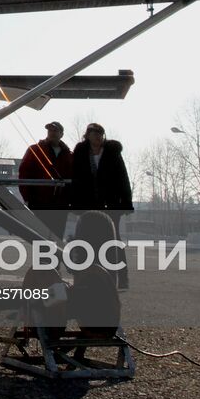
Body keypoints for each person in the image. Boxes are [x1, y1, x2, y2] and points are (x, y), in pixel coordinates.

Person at [69, 122, 134, 289]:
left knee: (114, 241)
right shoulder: (81, 153)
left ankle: (122, 277)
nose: (97, 136)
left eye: (100, 133)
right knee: (88, 240)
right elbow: (75, 179)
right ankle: (88, 277)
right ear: (88, 135)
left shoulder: (112, 152)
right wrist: (74, 202)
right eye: (94, 133)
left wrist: (126, 202)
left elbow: (123, 177)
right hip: (88, 203)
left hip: (110, 203)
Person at [17, 121, 74, 239]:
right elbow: (24, 173)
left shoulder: (68, 154)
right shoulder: (34, 150)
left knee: (57, 235)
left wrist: (69, 199)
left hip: (60, 203)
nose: (52, 133)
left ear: (61, 134)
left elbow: (73, 176)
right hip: (39, 202)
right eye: (50, 130)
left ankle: (55, 257)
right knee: (40, 237)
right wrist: (27, 197)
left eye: (55, 131)